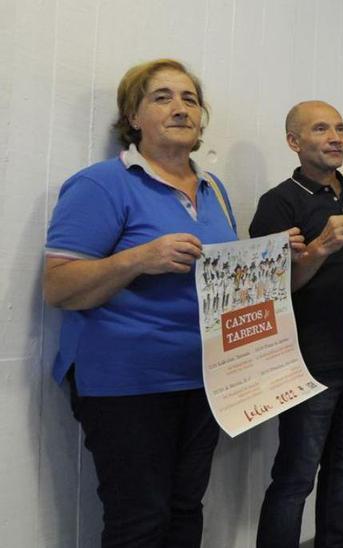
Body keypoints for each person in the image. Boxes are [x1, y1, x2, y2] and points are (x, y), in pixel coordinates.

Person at [43, 58, 293, 548]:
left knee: (184, 509)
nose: (180, 109)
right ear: (133, 117)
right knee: (140, 521)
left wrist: (283, 258)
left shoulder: (213, 188)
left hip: (202, 378)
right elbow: (58, 287)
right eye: (162, 98)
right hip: (126, 382)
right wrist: (139, 258)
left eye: (190, 99)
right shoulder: (101, 184)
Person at [249, 101, 343, 547]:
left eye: (340, 128)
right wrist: (318, 248)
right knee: (296, 475)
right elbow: (267, 291)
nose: (335, 137)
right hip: (309, 361)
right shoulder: (277, 203)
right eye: (321, 128)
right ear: (294, 142)